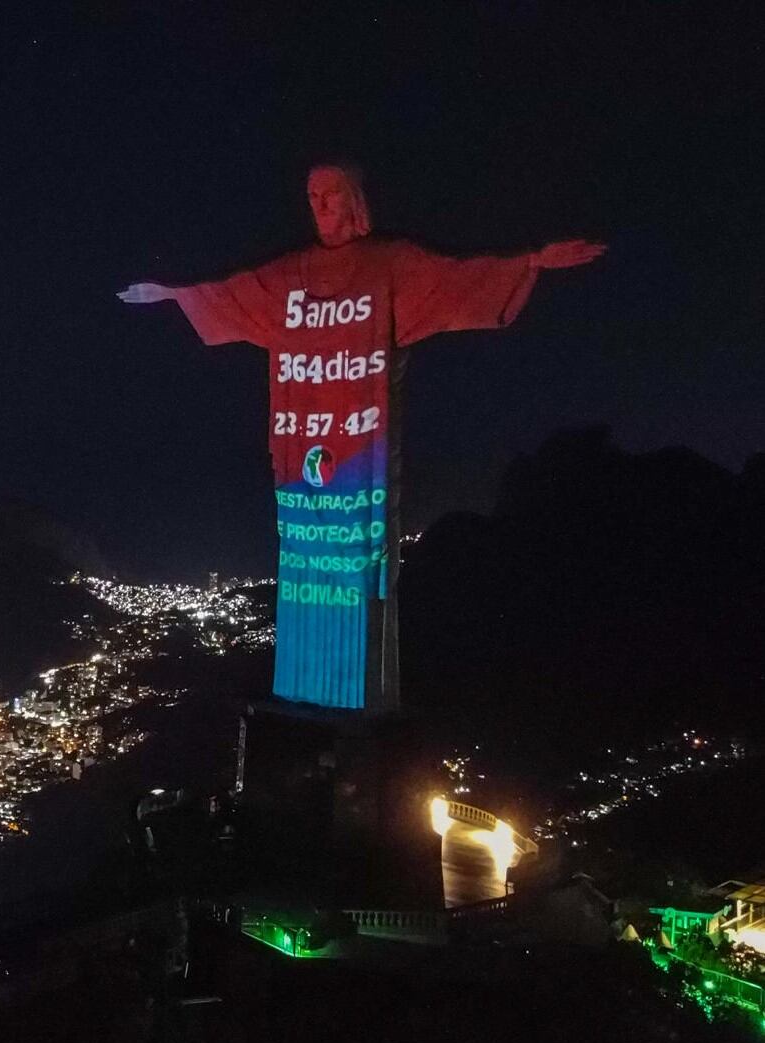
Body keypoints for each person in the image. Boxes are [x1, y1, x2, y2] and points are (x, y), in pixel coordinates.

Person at [120, 164, 603, 711]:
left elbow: (456, 279)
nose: (320, 206)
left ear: (353, 201)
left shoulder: (386, 264)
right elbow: (234, 294)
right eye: (312, 197)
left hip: (362, 463)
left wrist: (533, 261)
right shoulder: (292, 274)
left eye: (330, 195)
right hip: (302, 466)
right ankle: (312, 700)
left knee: (362, 589)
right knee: (305, 572)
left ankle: (356, 707)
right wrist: (174, 295)